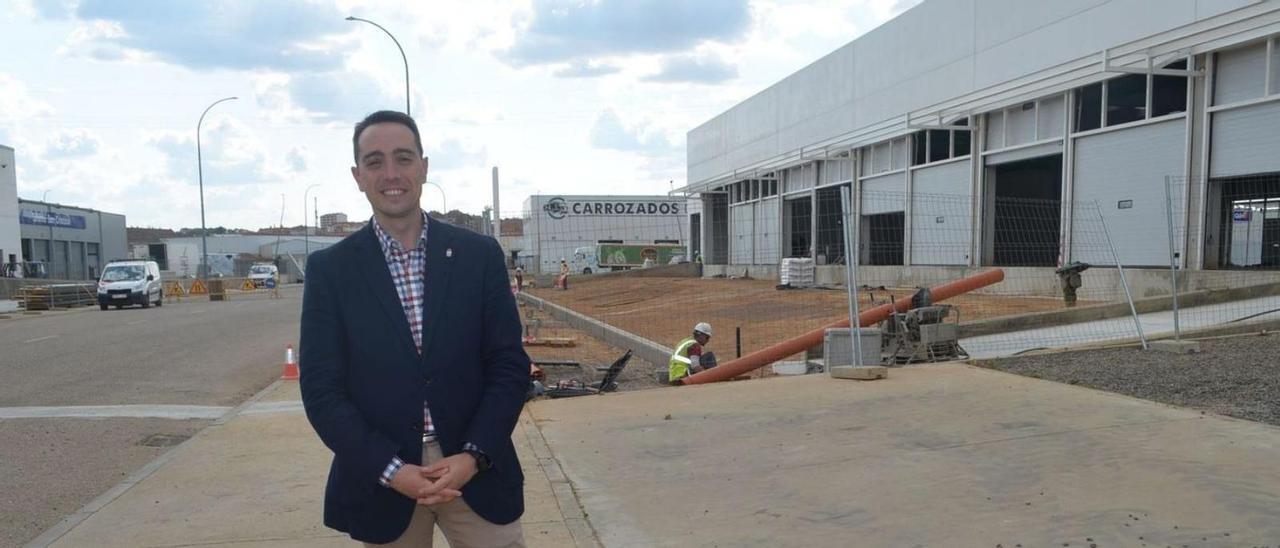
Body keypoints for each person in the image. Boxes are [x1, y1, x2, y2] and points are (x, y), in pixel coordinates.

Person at [300, 110, 530, 547]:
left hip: (475, 473)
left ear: (424, 166)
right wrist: (392, 470)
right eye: (375, 161)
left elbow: (508, 366)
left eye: (403, 158)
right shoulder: (331, 270)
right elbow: (322, 391)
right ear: (357, 175)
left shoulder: (478, 256)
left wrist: (474, 456)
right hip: (385, 482)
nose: (391, 174)